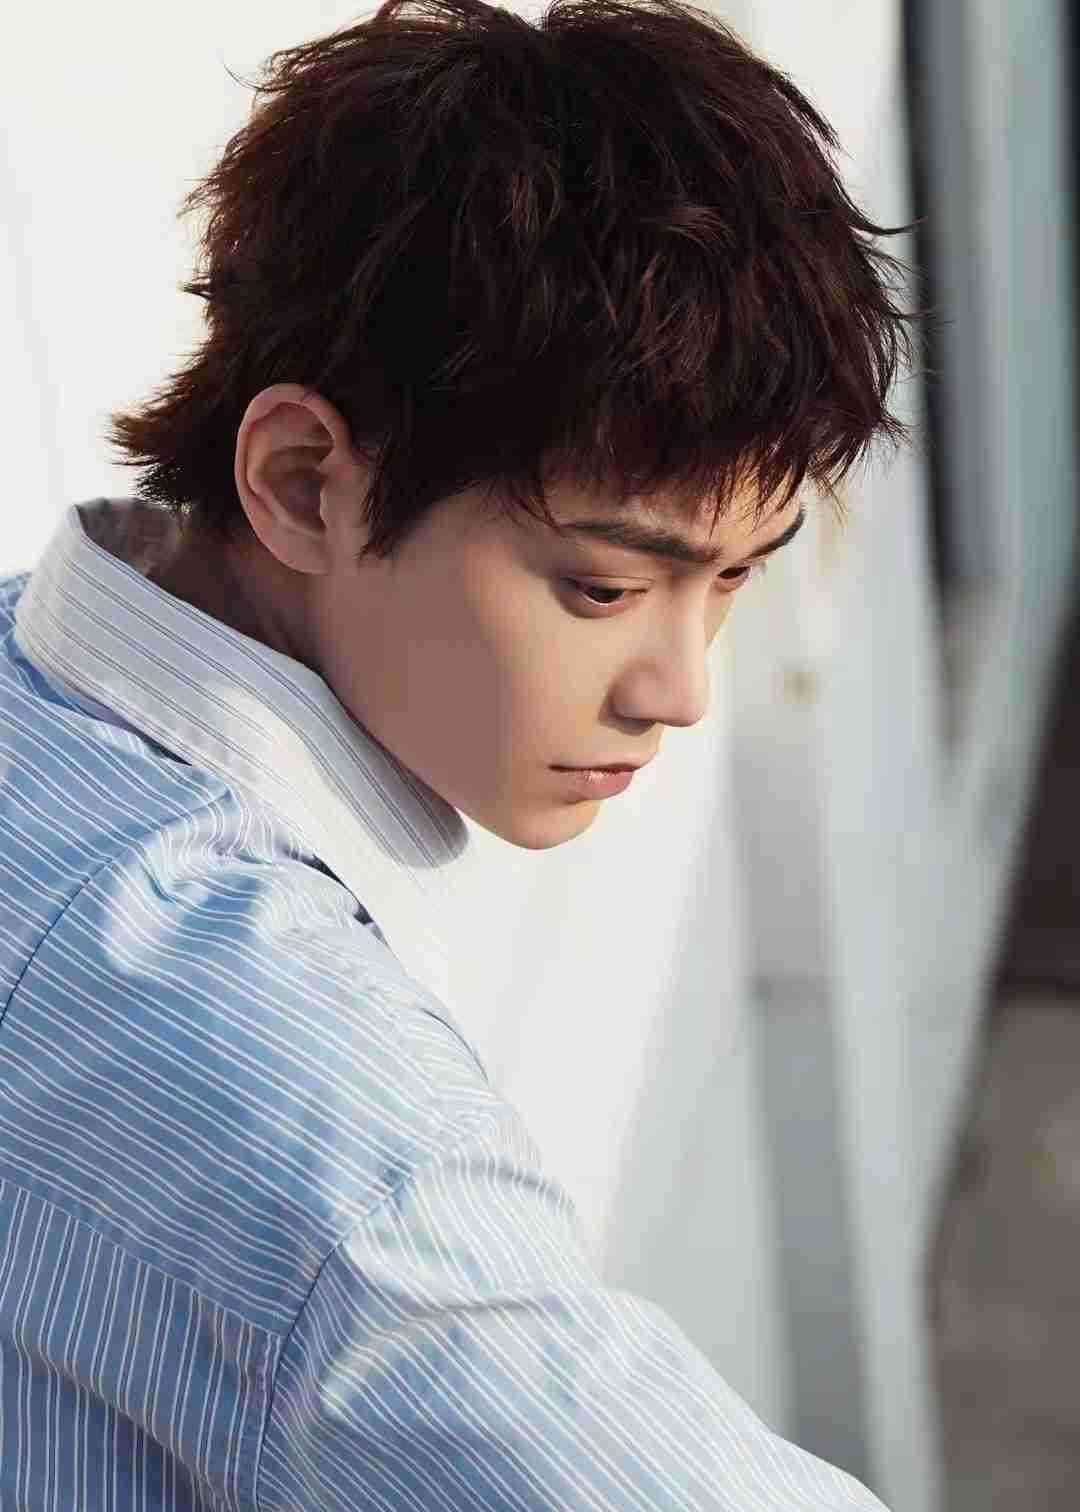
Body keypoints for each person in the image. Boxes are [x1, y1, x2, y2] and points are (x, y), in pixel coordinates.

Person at [0, 0, 931, 1505]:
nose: (682, 689)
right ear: (305, 484)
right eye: (605, 588)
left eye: (735, 577)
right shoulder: (334, 1151)